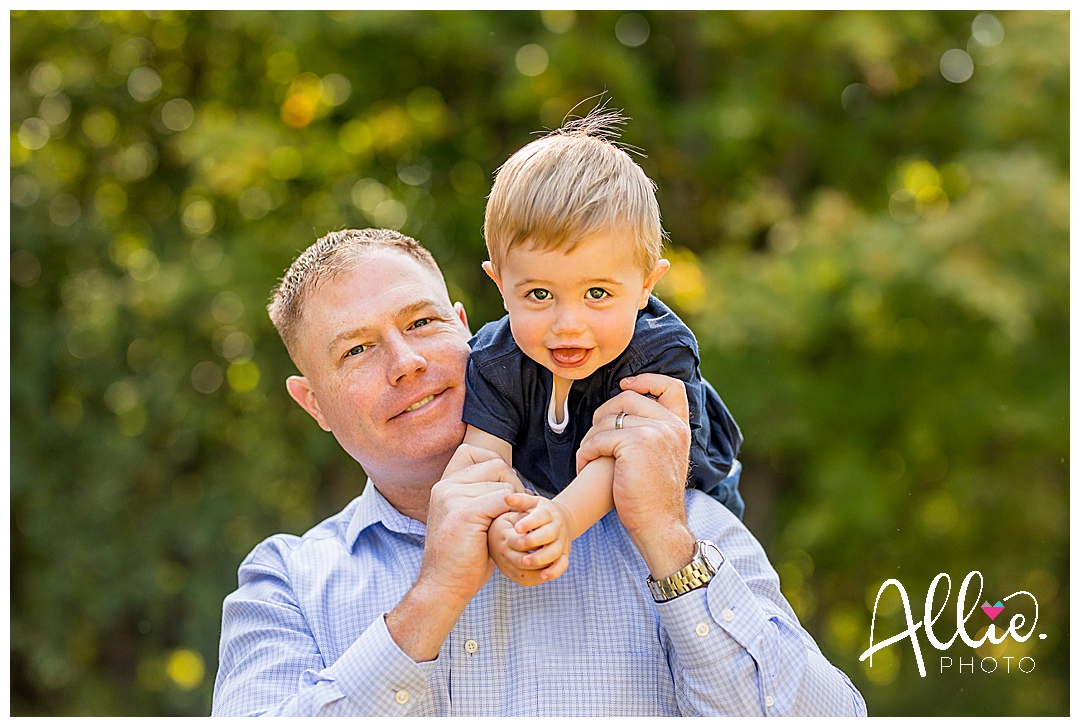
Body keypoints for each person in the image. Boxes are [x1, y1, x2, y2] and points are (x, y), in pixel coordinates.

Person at [211, 228, 866, 716]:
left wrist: (669, 546)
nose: (406, 361)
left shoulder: (672, 509)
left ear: (469, 331)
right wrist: (432, 597)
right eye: (357, 349)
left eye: (423, 322)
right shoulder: (283, 586)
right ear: (313, 402)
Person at [458, 108, 743, 586]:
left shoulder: (658, 352)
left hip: (690, 488)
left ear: (646, 287)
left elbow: (624, 456)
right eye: (539, 295)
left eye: (597, 294)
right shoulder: (494, 360)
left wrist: (562, 522)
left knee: (705, 538)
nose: (568, 326)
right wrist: (503, 526)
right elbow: (481, 457)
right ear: (500, 286)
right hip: (555, 482)